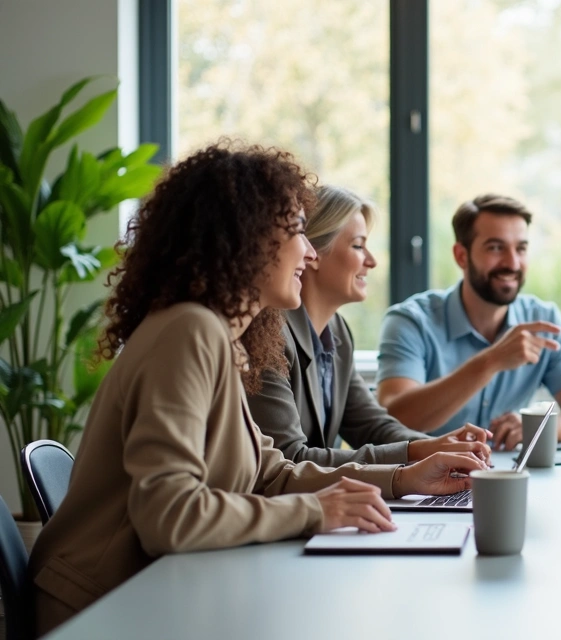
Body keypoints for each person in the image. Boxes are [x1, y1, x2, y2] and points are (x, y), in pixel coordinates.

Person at [28, 144, 486, 635]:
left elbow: (271, 474)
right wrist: (316, 511)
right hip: (99, 608)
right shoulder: (189, 332)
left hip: (155, 591)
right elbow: (169, 516)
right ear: (246, 238)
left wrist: (403, 479)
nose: (309, 251)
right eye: (297, 232)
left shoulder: (223, 341)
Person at [248, 185, 491, 465]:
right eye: (358, 246)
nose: (372, 261)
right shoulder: (269, 336)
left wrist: (437, 447)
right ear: (313, 252)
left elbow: (370, 425)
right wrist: (415, 456)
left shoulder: (337, 332)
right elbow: (289, 458)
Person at [376, 194, 561, 450]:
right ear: (461, 256)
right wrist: (491, 361)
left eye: (521, 249)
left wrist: (537, 425)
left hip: (509, 472)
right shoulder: (411, 322)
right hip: (429, 473)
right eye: (495, 248)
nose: (512, 263)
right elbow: (393, 419)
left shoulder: (543, 321)